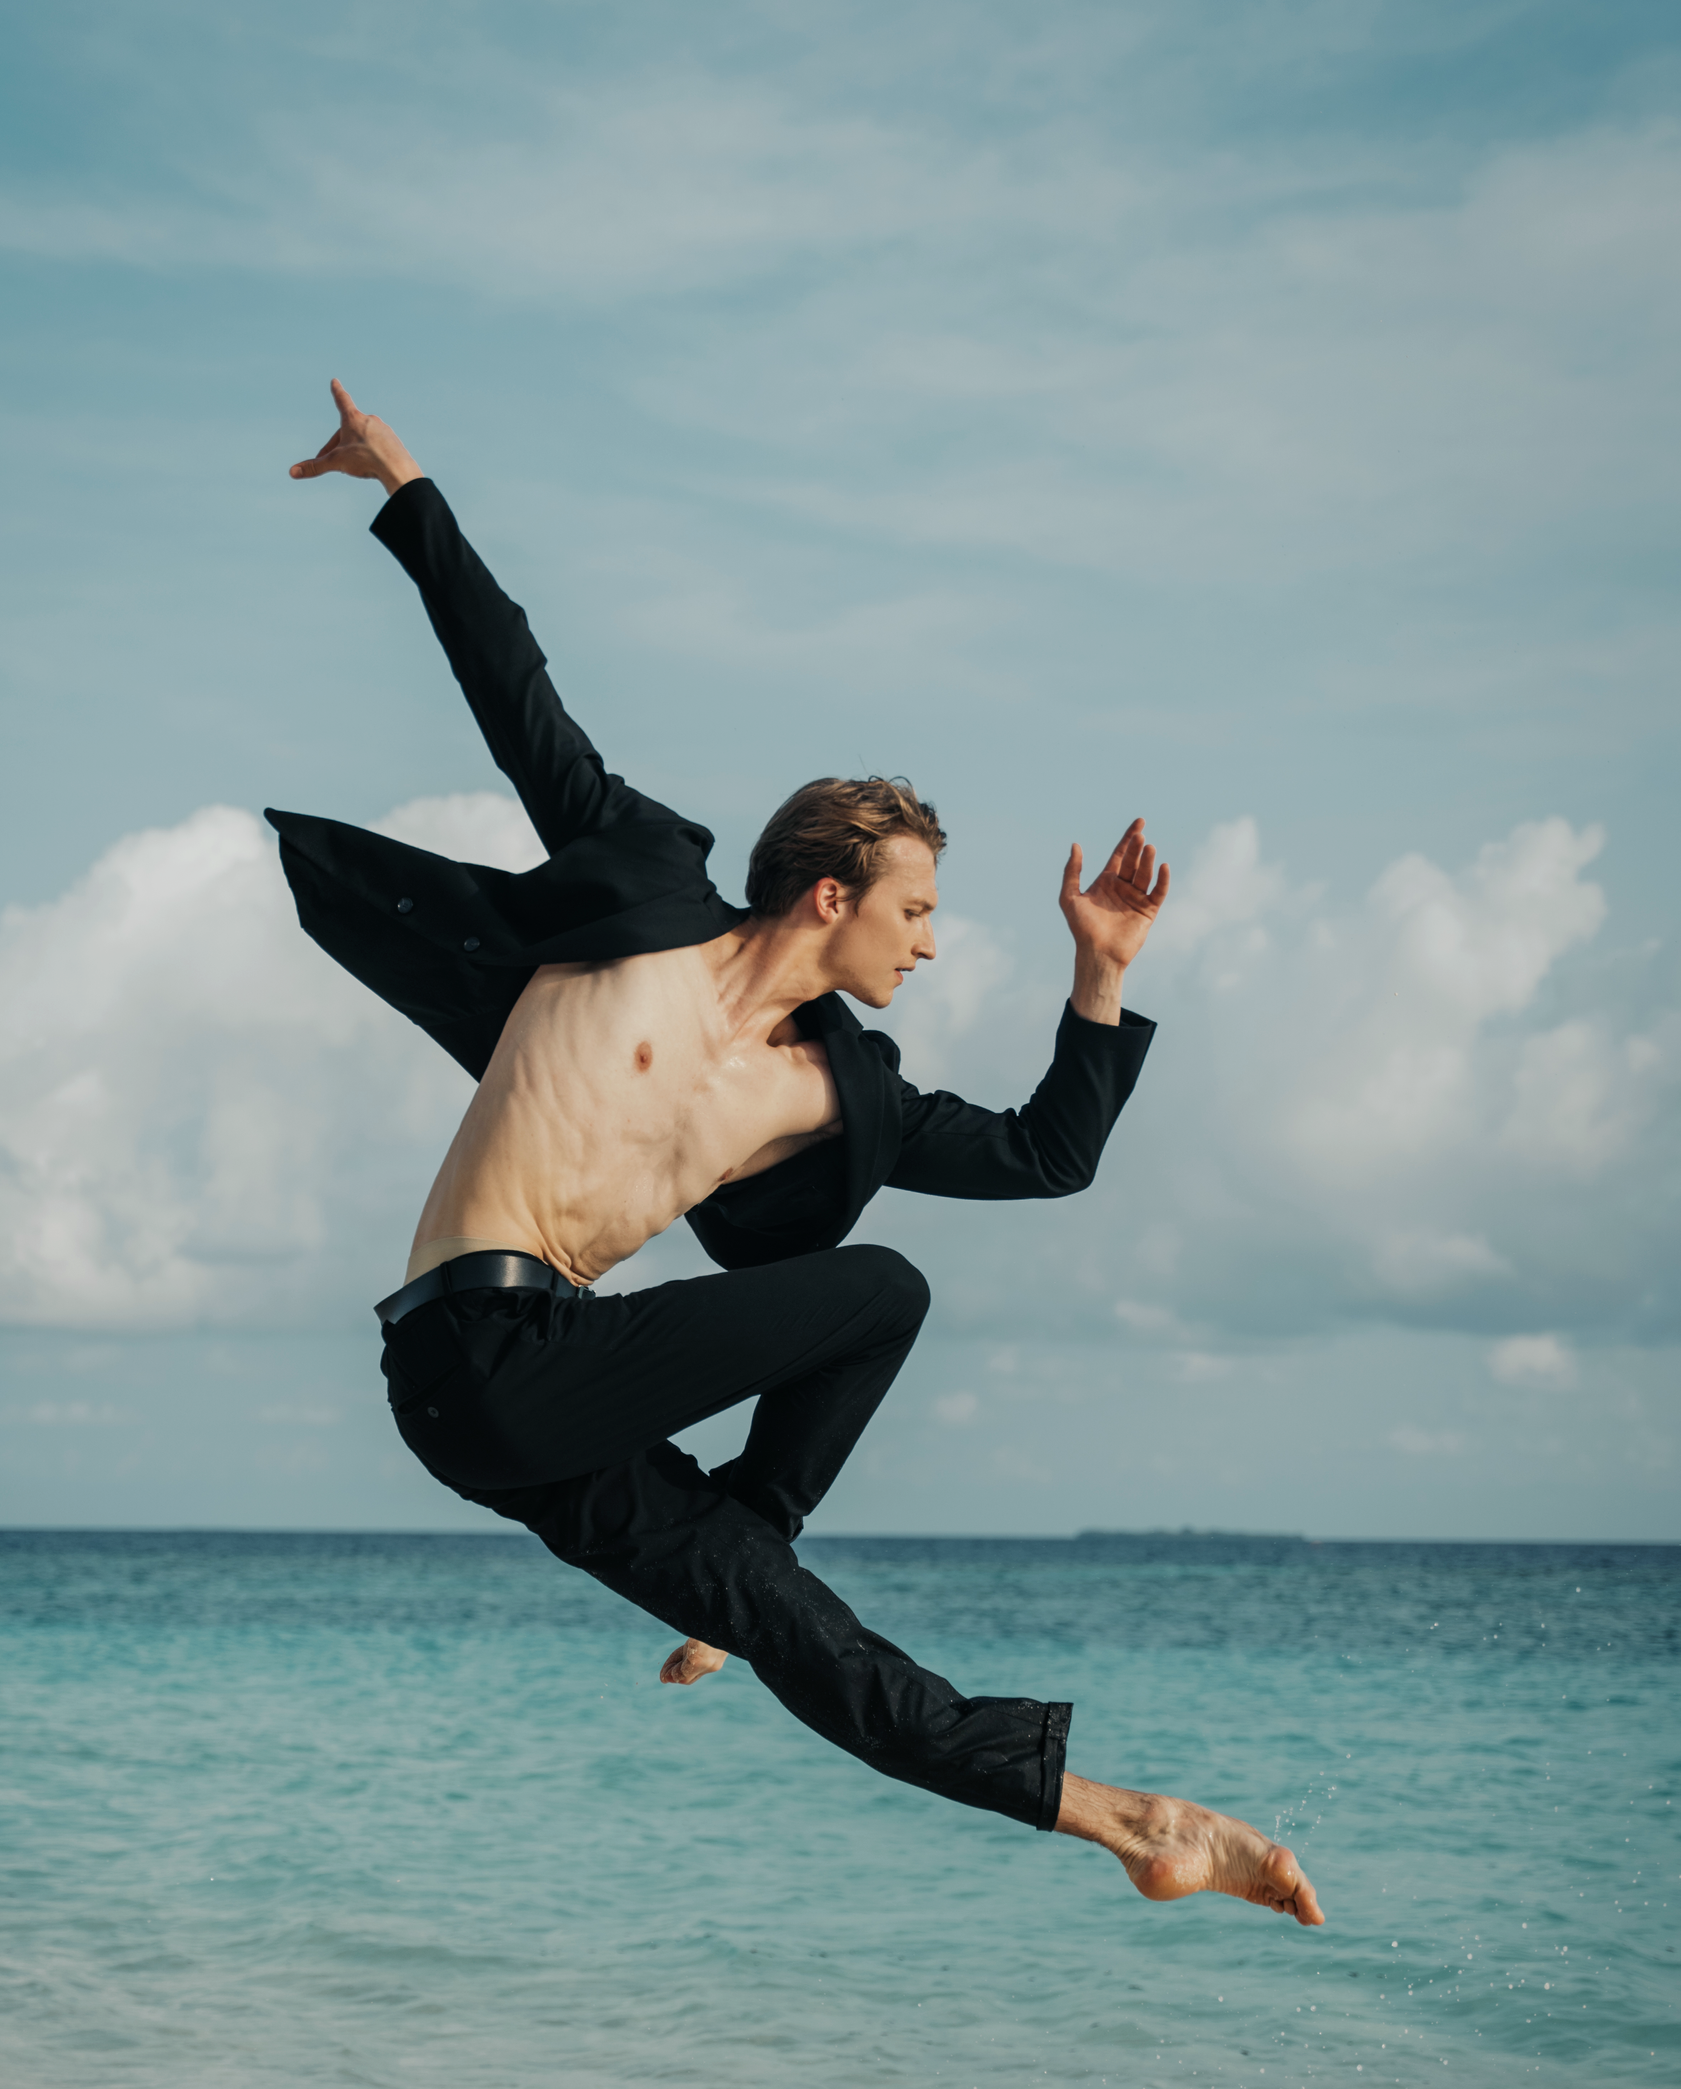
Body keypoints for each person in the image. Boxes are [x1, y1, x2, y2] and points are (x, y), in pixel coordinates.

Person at [271, 382, 1323, 1928]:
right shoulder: (640, 889)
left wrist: (1099, 977)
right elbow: (515, 687)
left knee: (798, 1633)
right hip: (468, 1355)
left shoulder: (839, 1099)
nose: (932, 944)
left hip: (551, 1390)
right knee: (880, 1287)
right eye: (916, 910)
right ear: (828, 894)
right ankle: (755, 1521)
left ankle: (1133, 1823)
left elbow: (1046, 1154)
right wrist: (404, 482)